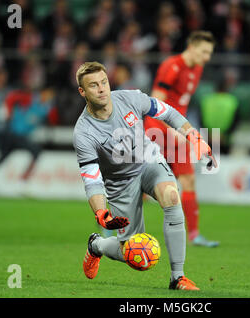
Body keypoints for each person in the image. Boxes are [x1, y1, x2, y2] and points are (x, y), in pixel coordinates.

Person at [74, 61, 216, 290]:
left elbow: (167, 112)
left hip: (148, 161)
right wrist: (101, 212)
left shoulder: (130, 98)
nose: (101, 89)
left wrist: (194, 137)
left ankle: (177, 277)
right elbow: (92, 179)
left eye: (104, 82)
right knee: (133, 254)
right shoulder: (84, 133)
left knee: (171, 195)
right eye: (93, 86)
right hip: (120, 183)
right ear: (83, 92)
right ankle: (97, 246)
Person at [143, 30, 219, 247]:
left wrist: (182, 130)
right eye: (204, 52)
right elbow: (156, 103)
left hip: (178, 132)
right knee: (141, 184)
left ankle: (194, 235)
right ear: (192, 47)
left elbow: (181, 101)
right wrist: (175, 129)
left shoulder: (197, 68)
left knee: (188, 180)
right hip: (157, 129)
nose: (207, 57)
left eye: (210, 53)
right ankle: (115, 228)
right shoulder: (171, 66)